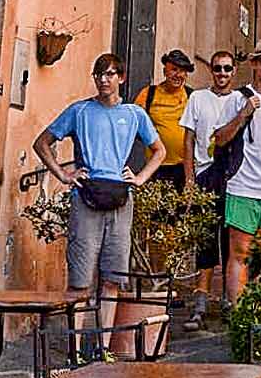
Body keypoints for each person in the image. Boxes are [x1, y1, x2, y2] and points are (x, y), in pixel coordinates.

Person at [32, 53, 166, 326]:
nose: (103, 80)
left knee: (113, 280)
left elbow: (159, 150)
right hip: (86, 196)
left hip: (120, 199)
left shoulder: (134, 114)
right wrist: (63, 174)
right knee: (79, 280)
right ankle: (75, 346)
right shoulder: (79, 111)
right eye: (98, 75)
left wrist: (140, 178)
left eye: (109, 74)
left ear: (121, 78)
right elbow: (42, 143)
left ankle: (103, 345)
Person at [213, 37, 261, 303]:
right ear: (254, 65)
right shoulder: (238, 98)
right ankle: (237, 312)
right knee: (240, 253)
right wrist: (243, 115)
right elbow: (220, 139)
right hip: (243, 185)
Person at [180, 48, 238, 332]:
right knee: (204, 243)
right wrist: (189, 178)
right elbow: (188, 140)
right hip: (205, 175)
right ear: (211, 70)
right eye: (218, 68)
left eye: (227, 68)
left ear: (234, 71)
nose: (222, 73)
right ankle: (200, 303)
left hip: (234, 178)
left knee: (230, 242)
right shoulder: (198, 98)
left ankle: (228, 300)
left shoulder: (240, 100)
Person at [133, 48, 194, 187]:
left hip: (185, 167)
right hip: (155, 166)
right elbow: (134, 125)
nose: (178, 75)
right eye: (174, 69)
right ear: (165, 71)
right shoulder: (148, 94)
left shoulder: (192, 96)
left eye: (182, 71)